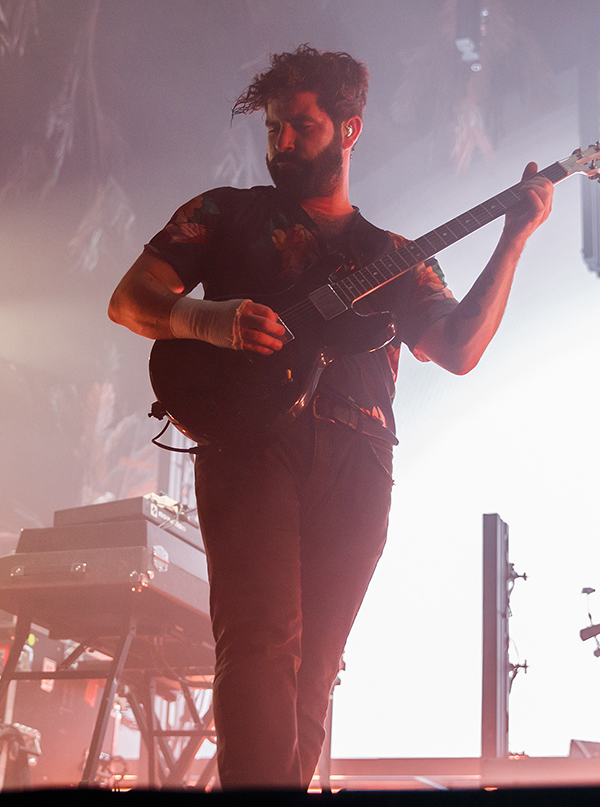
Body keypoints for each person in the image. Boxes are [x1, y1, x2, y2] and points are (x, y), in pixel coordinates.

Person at [108, 45, 553, 788]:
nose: (282, 143)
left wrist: (514, 238)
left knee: (316, 667)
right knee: (259, 642)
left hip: (361, 457)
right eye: (273, 128)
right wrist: (210, 320)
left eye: (302, 127)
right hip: (250, 445)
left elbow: (458, 348)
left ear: (350, 129)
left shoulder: (394, 254)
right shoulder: (225, 213)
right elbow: (131, 300)